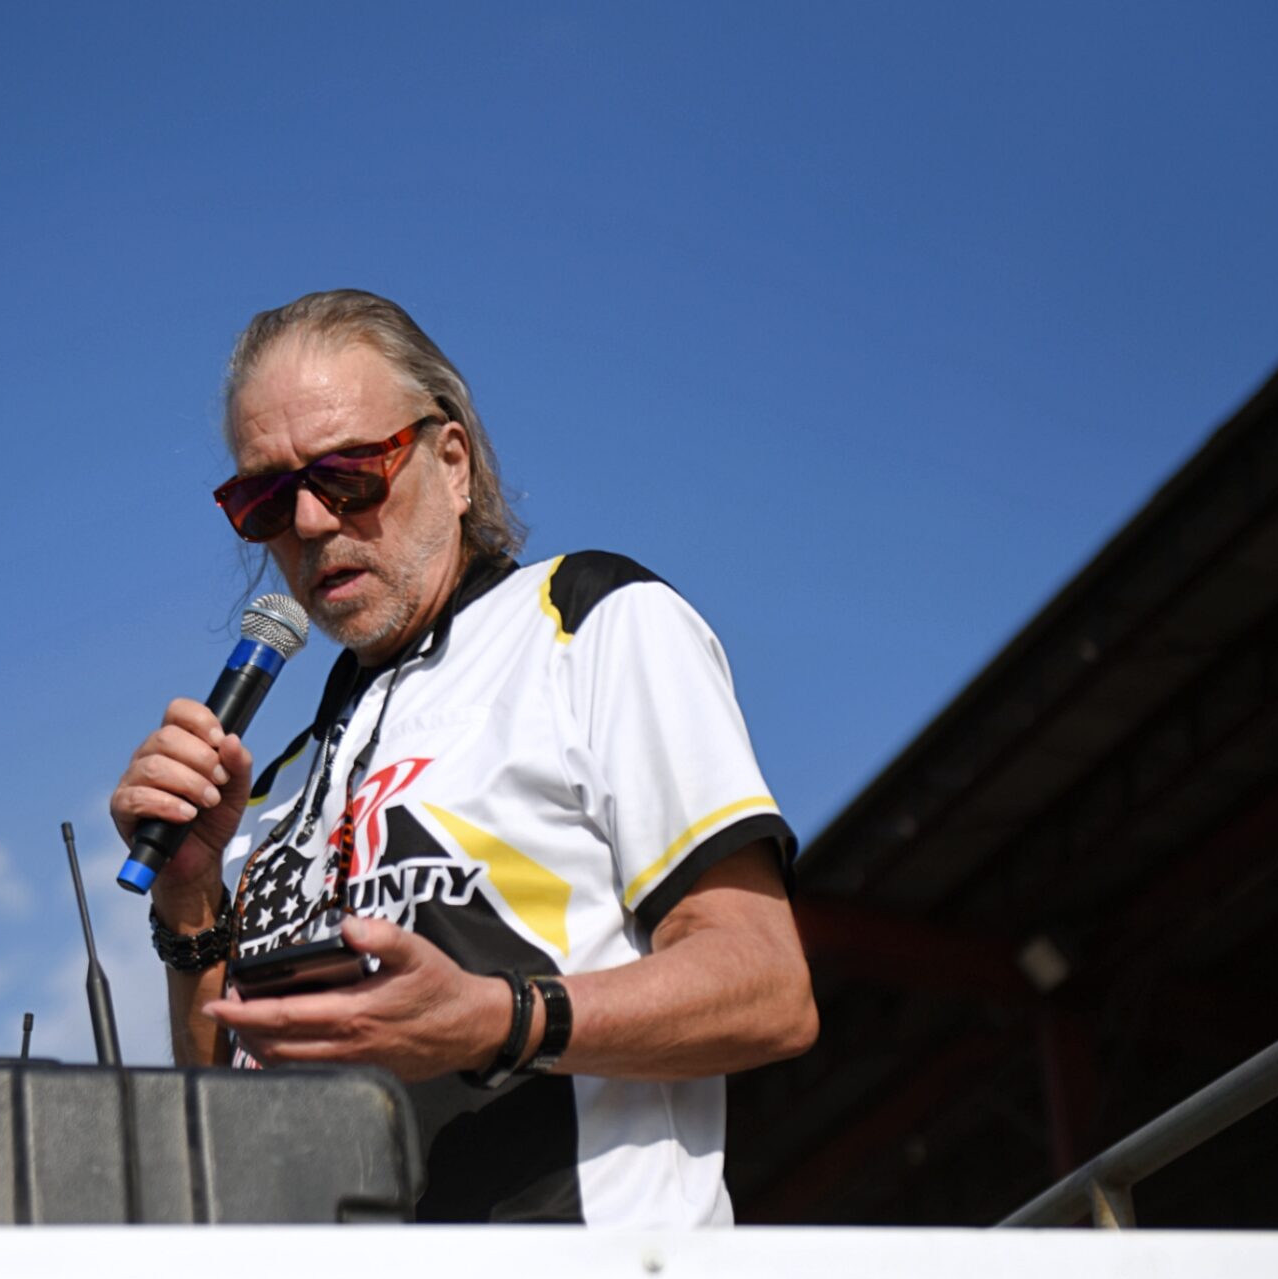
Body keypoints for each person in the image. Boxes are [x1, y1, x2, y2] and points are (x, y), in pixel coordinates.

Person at [110, 289, 816, 1224]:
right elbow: (226, 1121)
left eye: (349, 473)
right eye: (264, 499)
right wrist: (192, 904)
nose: (312, 523)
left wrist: (497, 1020)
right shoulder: (278, 788)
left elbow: (767, 989)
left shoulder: (586, 621)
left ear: (453, 463)